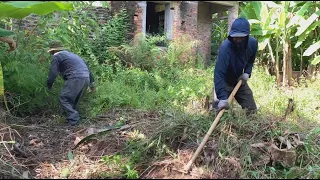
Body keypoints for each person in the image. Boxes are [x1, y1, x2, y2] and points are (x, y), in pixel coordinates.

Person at [213, 17, 258, 115]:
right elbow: (218, 74)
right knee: (219, 112)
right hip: (224, 82)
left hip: (239, 81)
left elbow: (251, 60)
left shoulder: (253, 44)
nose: (237, 39)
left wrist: (247, 72)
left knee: (252, 110)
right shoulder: (225, 49)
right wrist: (222, 97)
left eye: (240, 37)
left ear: (246, 36)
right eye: (235, 36)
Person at [46, 41, 95, 126]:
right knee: (73, 101)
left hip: (75, 77)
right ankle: (74, 123)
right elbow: (88, 68)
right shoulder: (73, 55)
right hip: (85, 77)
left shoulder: (57, 56)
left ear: (53, 51)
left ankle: (74, 119)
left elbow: (53, 72)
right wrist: (91, 84)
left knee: (64, 97)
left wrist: (48, 85)